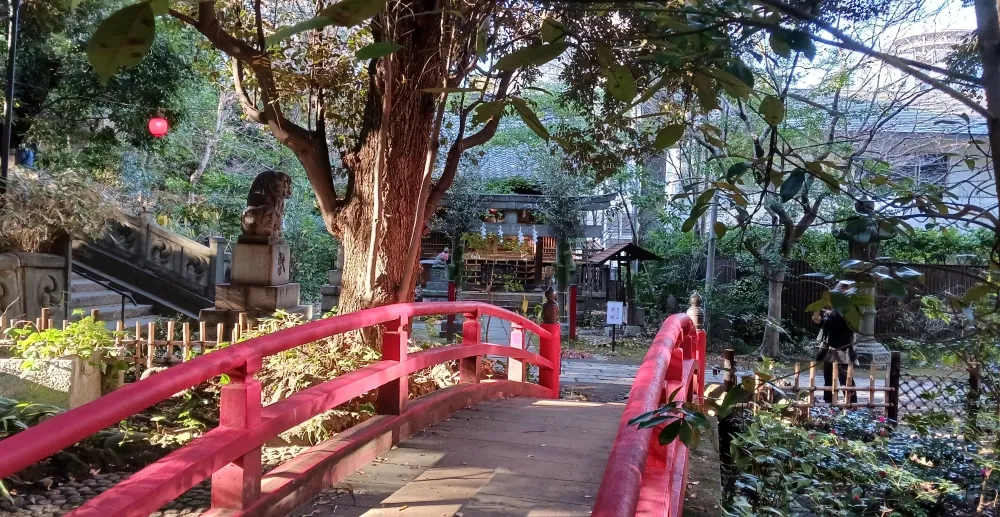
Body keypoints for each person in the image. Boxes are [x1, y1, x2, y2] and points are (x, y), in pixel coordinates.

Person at [812, 283, 858, 405]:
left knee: (844, 377)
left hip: (841, 346)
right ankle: (828, 400)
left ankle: (851, 401)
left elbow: (840, 324)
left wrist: (826, 318)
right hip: (831, 346)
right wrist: (820, 320)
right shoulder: (836, 308)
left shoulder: (848, 307)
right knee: (828, 376)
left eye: (838, 290)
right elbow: (828, 326)